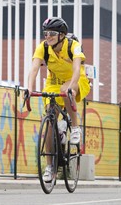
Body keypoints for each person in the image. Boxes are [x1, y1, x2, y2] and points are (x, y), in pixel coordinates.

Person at [26, 17, 90, 182]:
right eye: (46, 33)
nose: (48, 37)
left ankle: (75, 127)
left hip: (76, 80)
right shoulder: (43, 48)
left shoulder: (73, 46)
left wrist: (71, 85)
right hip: (53, 84)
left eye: (52, 34)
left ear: (62, 35)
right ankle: (49, 166)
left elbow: (77, 68)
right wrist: (29, 88)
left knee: (65, 90)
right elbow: (34, 69)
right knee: (48, 123)